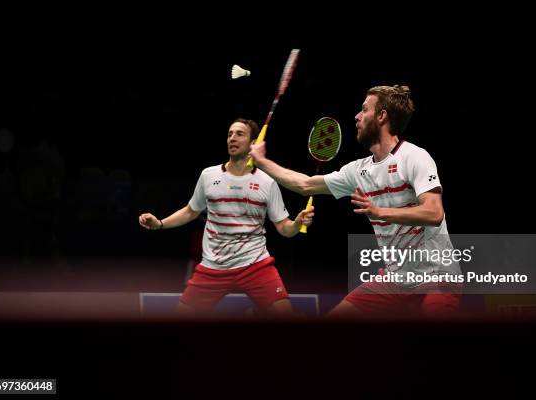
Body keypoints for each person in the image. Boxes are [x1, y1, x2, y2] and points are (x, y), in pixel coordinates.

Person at [249, 85, 462, 318]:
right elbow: (305, 185)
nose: (357, 116)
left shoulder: (414, 157)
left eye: (364, 110)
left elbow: (434, 213)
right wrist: (261, 162)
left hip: (436, 277)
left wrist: (380, 212)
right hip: (394, 281)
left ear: (382, 116)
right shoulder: (358, 171)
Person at [139, 118, 313, 318]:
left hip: (255, 264)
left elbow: (284, 228)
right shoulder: (209, 175)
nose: (232, 138)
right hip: (214, 266)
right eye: (230, 134)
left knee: (285, 316)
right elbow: (190, 211)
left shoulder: (267, 182)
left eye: (240, 134)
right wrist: (159, 224)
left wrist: (298, 222)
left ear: (253, 143)